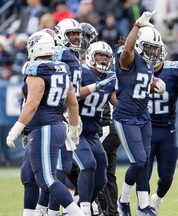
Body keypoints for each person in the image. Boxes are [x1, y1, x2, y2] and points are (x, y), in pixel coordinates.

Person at [6, 31, 84, 216]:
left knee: (48, 179)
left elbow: (32, 104)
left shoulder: (36, 70)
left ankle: (78, 213)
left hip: (44, 128)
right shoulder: (62, 69)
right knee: (34, 176)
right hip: (56, 127)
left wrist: (16, 130)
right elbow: (72, 103)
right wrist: (73, 130)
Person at [113, 11, 166, 216]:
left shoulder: (149, 63)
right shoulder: (127, 57)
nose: (153, 51)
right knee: (139, 161)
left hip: (143, 115)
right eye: (150, 47)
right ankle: (123, 201)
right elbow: (127, 49)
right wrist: (137, 25)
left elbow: (137, 84)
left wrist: (153, 85)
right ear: (140, 45)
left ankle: (143, 206)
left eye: (155, 48)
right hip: (125, 116)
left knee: (145, 162)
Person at [73, 40, 117, 215]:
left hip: (92, 132)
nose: (104, 60)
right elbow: (73, 96)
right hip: (76, 130)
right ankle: (83, 210)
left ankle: (76, 209)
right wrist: (95, 86)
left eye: (107, 56)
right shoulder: (81, 72)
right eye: (100, 55)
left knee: (101, 177)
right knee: (88, 165)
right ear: (91, 55)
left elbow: (117, 104)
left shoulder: (109, 77)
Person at [147, 41, 178, 215]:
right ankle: (143, 207)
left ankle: (157, 200)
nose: (153, 55)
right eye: (149, 51)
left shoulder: (174, 71)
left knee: (167, 177)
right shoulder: (138, 71)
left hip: (167, 129)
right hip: (146, 128)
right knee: (143, 173)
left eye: (156, 51)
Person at [97, 102, 121, 216]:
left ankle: (96, 208)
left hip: (105, 129)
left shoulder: (102, 85)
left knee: (82, 168)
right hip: (110, 129)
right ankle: (111, 211)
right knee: (108, 174)